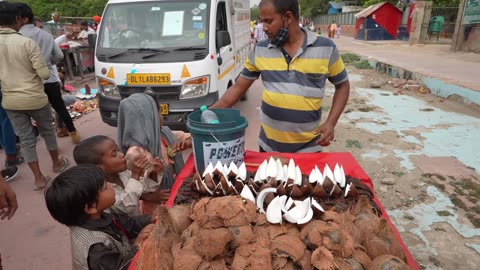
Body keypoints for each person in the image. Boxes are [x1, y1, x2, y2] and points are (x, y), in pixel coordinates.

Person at [211, 0, 350, 153]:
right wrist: (207, 114)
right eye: (262, 21)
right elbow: (237, 88)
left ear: (288, 17)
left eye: (268, 21)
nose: (264, 28)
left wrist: (331, 122)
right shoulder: (260, 50)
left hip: (309, 149)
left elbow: (342, 85)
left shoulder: (325, 48)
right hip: (269, 148)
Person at [0, 2, 70, 190]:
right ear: (16, 19)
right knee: (47, 131)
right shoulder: (26, 43)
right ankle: (56, 163)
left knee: (25, 139)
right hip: (34, 97)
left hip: (10, 100)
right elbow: (44, 74)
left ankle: (38, 178)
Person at [45, 165, 153, 270]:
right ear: (90, 207)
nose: (111, 186)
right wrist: (138, 245)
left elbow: (128, 223)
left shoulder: (98, 213)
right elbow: (121, 267)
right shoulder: (96, 250)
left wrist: (153, 218)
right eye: (105, 187)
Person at [17, 3, 80, 144]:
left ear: (23, 19)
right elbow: (58, 55)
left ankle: (46, 143)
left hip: (29, 81)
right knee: (60, 107)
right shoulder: (45, 35)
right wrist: (47, 64)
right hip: (49, 78)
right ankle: (73, 134)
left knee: (36, 113)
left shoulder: (18, 37)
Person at [117, 93, 192, 211]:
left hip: (176, 198)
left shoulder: (163, 134)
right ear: (148, 119)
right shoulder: (134, 154)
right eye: (159, 113)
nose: (162, 117)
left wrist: (188, 142)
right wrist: (151, 196)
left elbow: (189, 138)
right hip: (155, 209)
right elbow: (131, 188)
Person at [73, 135, 169, 216]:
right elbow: (126, 206)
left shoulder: (122, 173)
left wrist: (153, 173)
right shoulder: (103, 190)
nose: (122, 154)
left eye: (118, 150)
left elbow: (143, 188)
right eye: (114, 154)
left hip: (138, 220)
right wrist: (135, 175)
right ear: (99, 168)